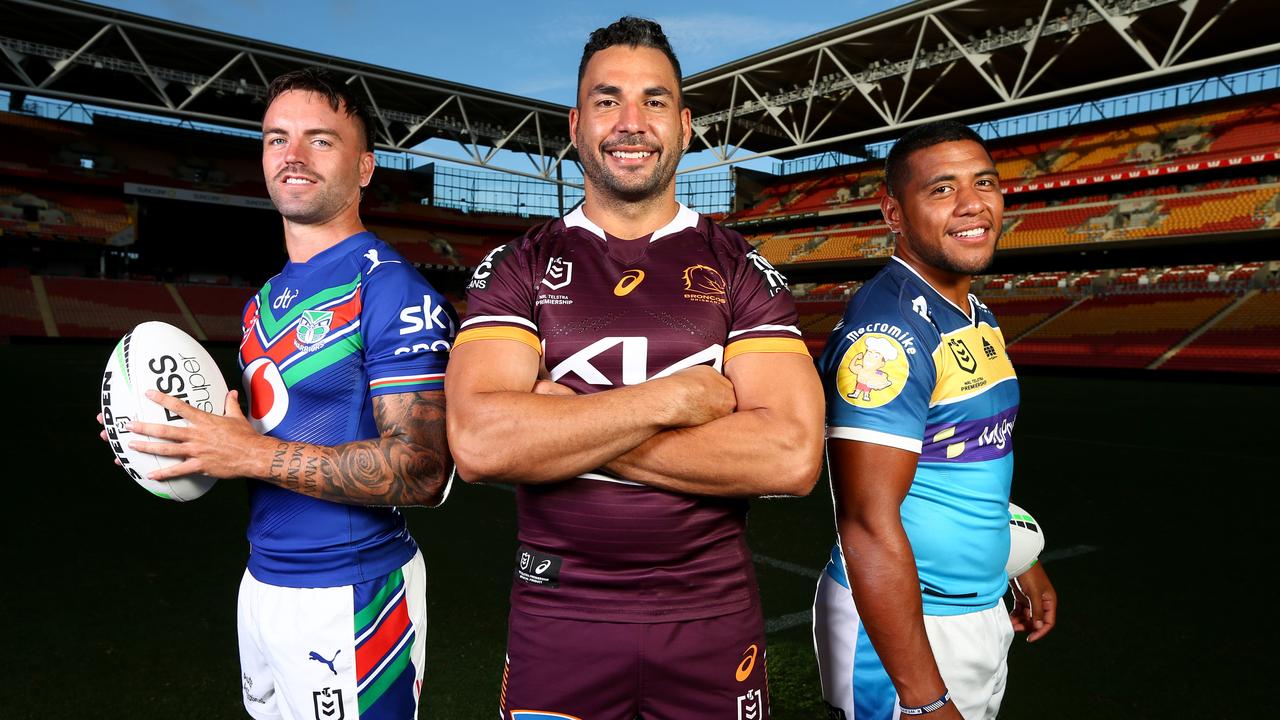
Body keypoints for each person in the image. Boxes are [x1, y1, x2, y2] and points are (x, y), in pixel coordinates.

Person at [443, 17, 825, 720]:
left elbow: (791, 455)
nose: (630, 122)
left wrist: (561, 422)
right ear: (575, 123)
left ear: (684, 126)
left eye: (654, 101)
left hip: (712, 616)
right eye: (606, 99)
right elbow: (479, 444)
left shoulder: (741, 268)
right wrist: (670, 399)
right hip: (558, 613)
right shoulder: (518, 266)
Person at [98, 67, 455, 720]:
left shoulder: (391, 291)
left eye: (320, 140)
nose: (292, 156)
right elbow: (251, 436)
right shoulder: (263, 303)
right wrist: (157, 433)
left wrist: (248, 455)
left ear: (366, 167)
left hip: (352, 593)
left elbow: (423, 470)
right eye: (275, 139)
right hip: (262, 583)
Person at [812, 120, 1058, 720]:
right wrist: (924, 701)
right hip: (905, 631)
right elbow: (867, 525)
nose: (973, 204)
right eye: (942, 189)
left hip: (977, 608)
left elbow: (974, 456)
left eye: (985, 183)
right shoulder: (887, 337)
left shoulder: (975, 312)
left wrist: (1019, 559)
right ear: (893, 214)